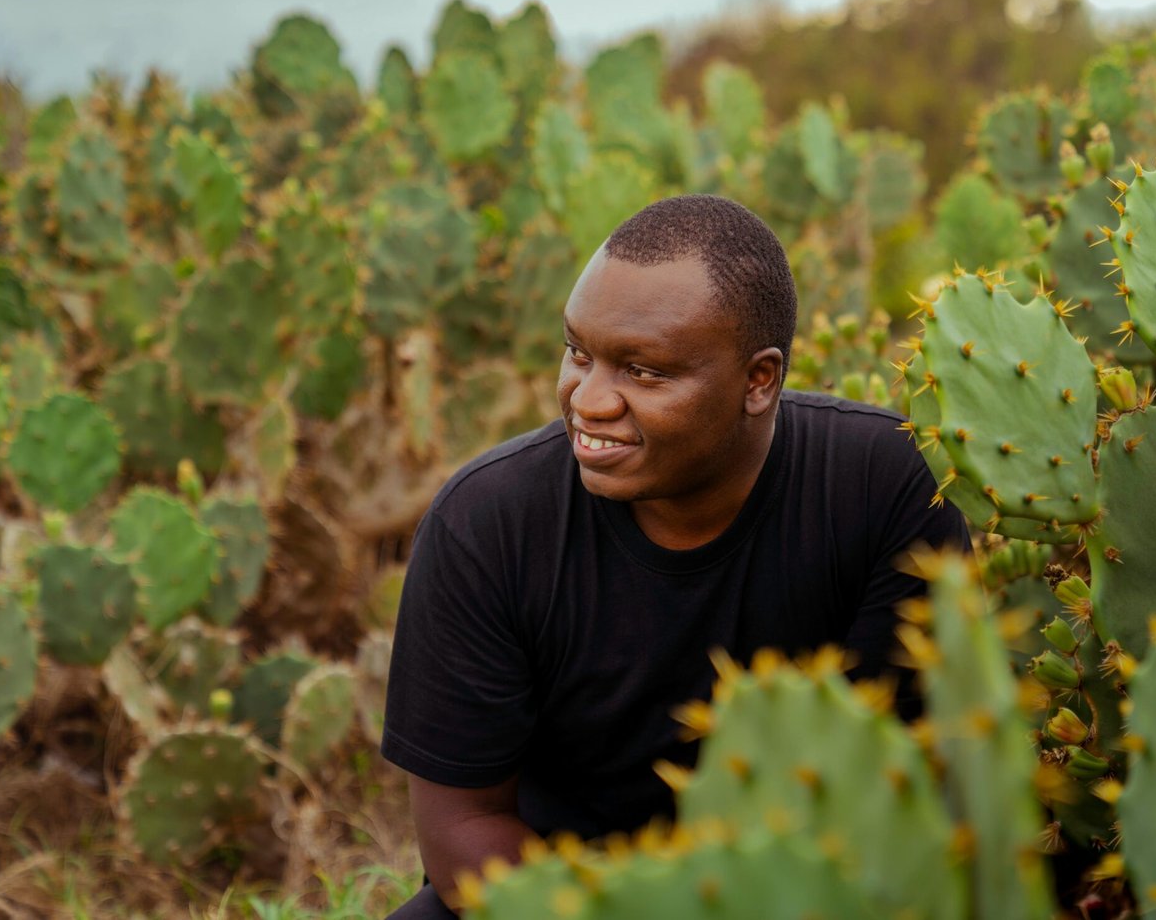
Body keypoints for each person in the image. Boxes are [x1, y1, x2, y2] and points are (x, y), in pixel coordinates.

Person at [380, 194, 970, 918]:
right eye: (579, 353)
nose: (588, 400)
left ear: (760, 380)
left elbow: (914, 770)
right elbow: (461, 828)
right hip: (568, 898)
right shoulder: (486, 524)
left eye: (643, 370)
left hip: (810, 888)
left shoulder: (882, 488)